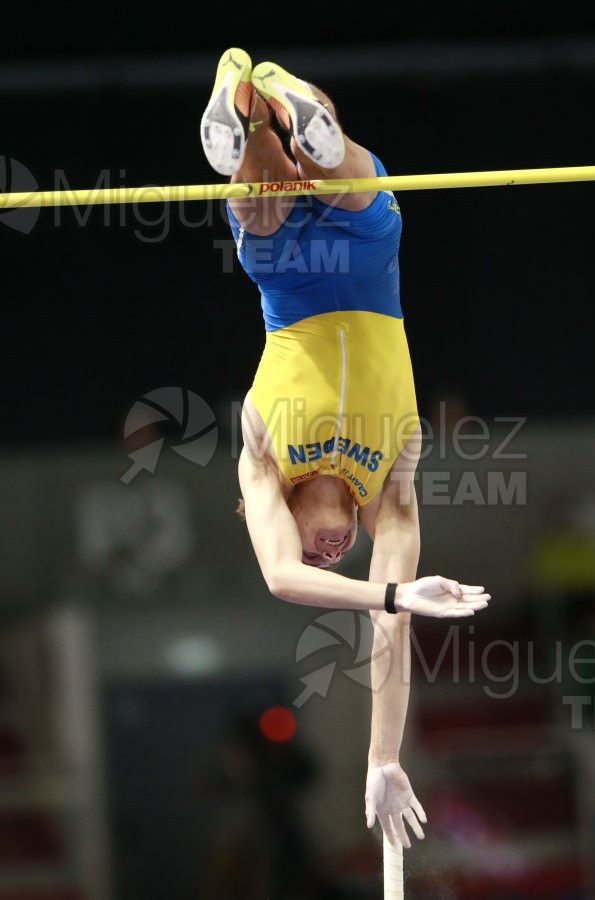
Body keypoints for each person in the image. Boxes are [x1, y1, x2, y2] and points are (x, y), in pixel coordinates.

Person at [200, 48, 491, 851]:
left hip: (287, 281)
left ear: (288, 521)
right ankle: (296, 121)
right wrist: (382, 758)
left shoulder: (261, 460)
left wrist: (390, 598)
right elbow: (388, 642)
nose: (330, 553)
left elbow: (281, 579)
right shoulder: (391, 491)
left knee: (260, 211)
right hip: (368, 270)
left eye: (317, 552)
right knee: (350, 182)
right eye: (345, 558)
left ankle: (251, 118)